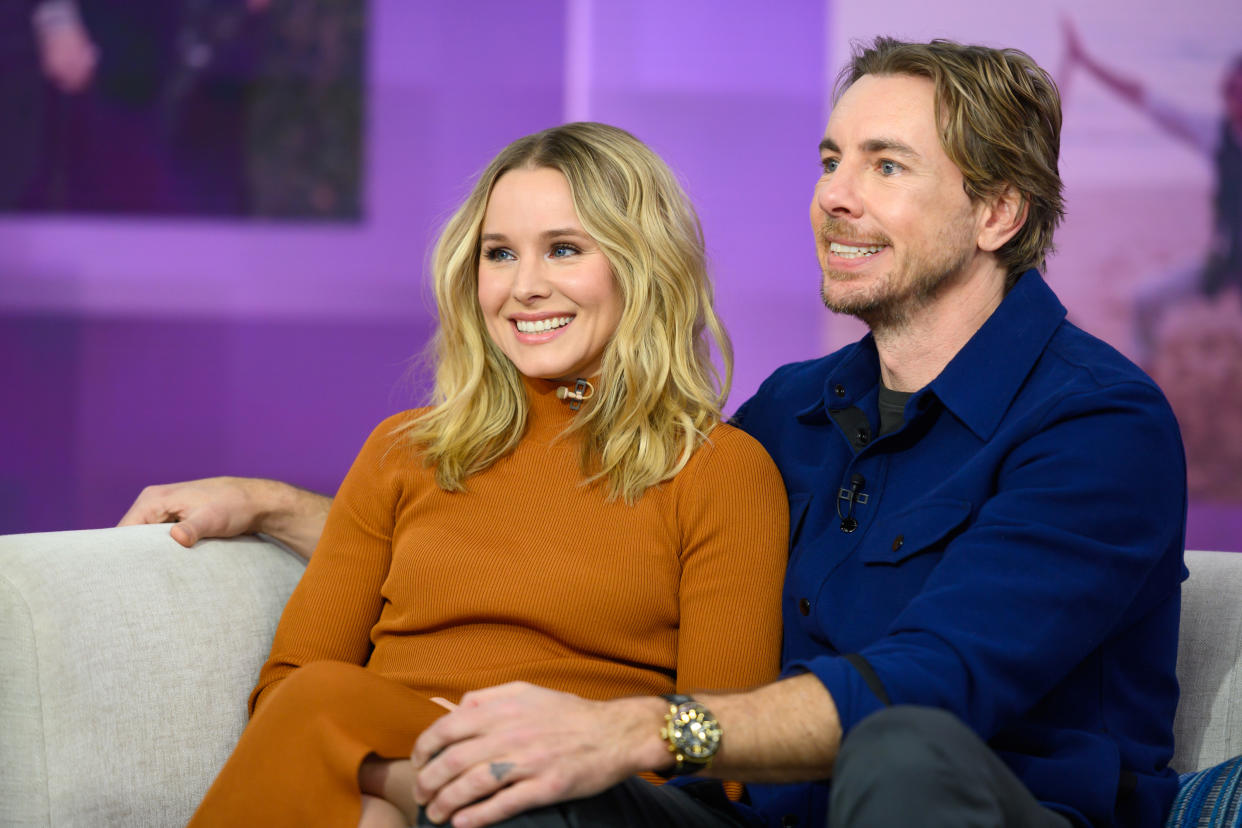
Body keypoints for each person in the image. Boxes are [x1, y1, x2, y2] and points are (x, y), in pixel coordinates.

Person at [124, 37, 1188, 828]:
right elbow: (605, 533)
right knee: (517, 790)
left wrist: (640, 727)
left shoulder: (1098, 427)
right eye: (829, 161)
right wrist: (291, 511)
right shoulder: (795, 411)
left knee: (902, 751)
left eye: (885, 167)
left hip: (969, 804)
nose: (835, 197)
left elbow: (932, 684)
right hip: (754, 815)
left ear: (997, 212)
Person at [163, 121, 789, 826]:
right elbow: (285, 691)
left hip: (585, 800)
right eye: (499, 254)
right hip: (393, 782)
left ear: (642, 265)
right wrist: (410, 782)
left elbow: (720, 766)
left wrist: (431, 777)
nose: (524, 287)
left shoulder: (719, 471)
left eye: (562, 249)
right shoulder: (403, 453)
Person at [1061, 18, 1242, 360]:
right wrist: (1085, 61)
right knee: (1145, 301)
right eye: (1231, 90)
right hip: (1225, 260)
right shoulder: (1217, 136)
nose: (1236, 98)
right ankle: (1145, 382)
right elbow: (1146, 99)